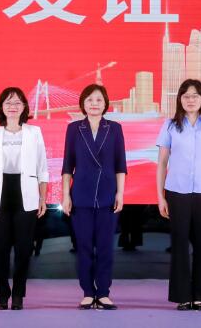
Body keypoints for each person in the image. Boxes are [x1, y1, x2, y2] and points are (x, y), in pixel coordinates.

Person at [155, 79, 201, 310]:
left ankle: (200, 295)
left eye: (195, 95)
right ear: (180, 99)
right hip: (177, 192)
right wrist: (160, 196)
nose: (190, 99)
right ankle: (182, 296)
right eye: (186, 95)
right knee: (179, 244)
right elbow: (162, 162)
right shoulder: (170, 126)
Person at [0, 87, 49, 310]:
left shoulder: (34, 132)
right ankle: (2, 295)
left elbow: (42, 168)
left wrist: (42, 198)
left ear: (24, 107)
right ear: (1, 107)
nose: (12, 106)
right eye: (8, 102)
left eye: (17, 102)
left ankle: (18, 294)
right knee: (0, 248)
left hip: (26, 193)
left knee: (24, 248)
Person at [61, 83, 127, 310]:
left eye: (99, 100)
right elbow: (67, 166)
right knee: (84, 247)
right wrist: (66, 195)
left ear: (105, 103)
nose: (94, 104)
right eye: (89, 100)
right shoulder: (74, 129)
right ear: (83, 103)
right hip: (81, 194)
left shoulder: (115, 128)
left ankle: (104, 293)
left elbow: (120, 165)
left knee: (106, 247)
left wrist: (120, 193)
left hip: (108, 194)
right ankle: (88, 292)